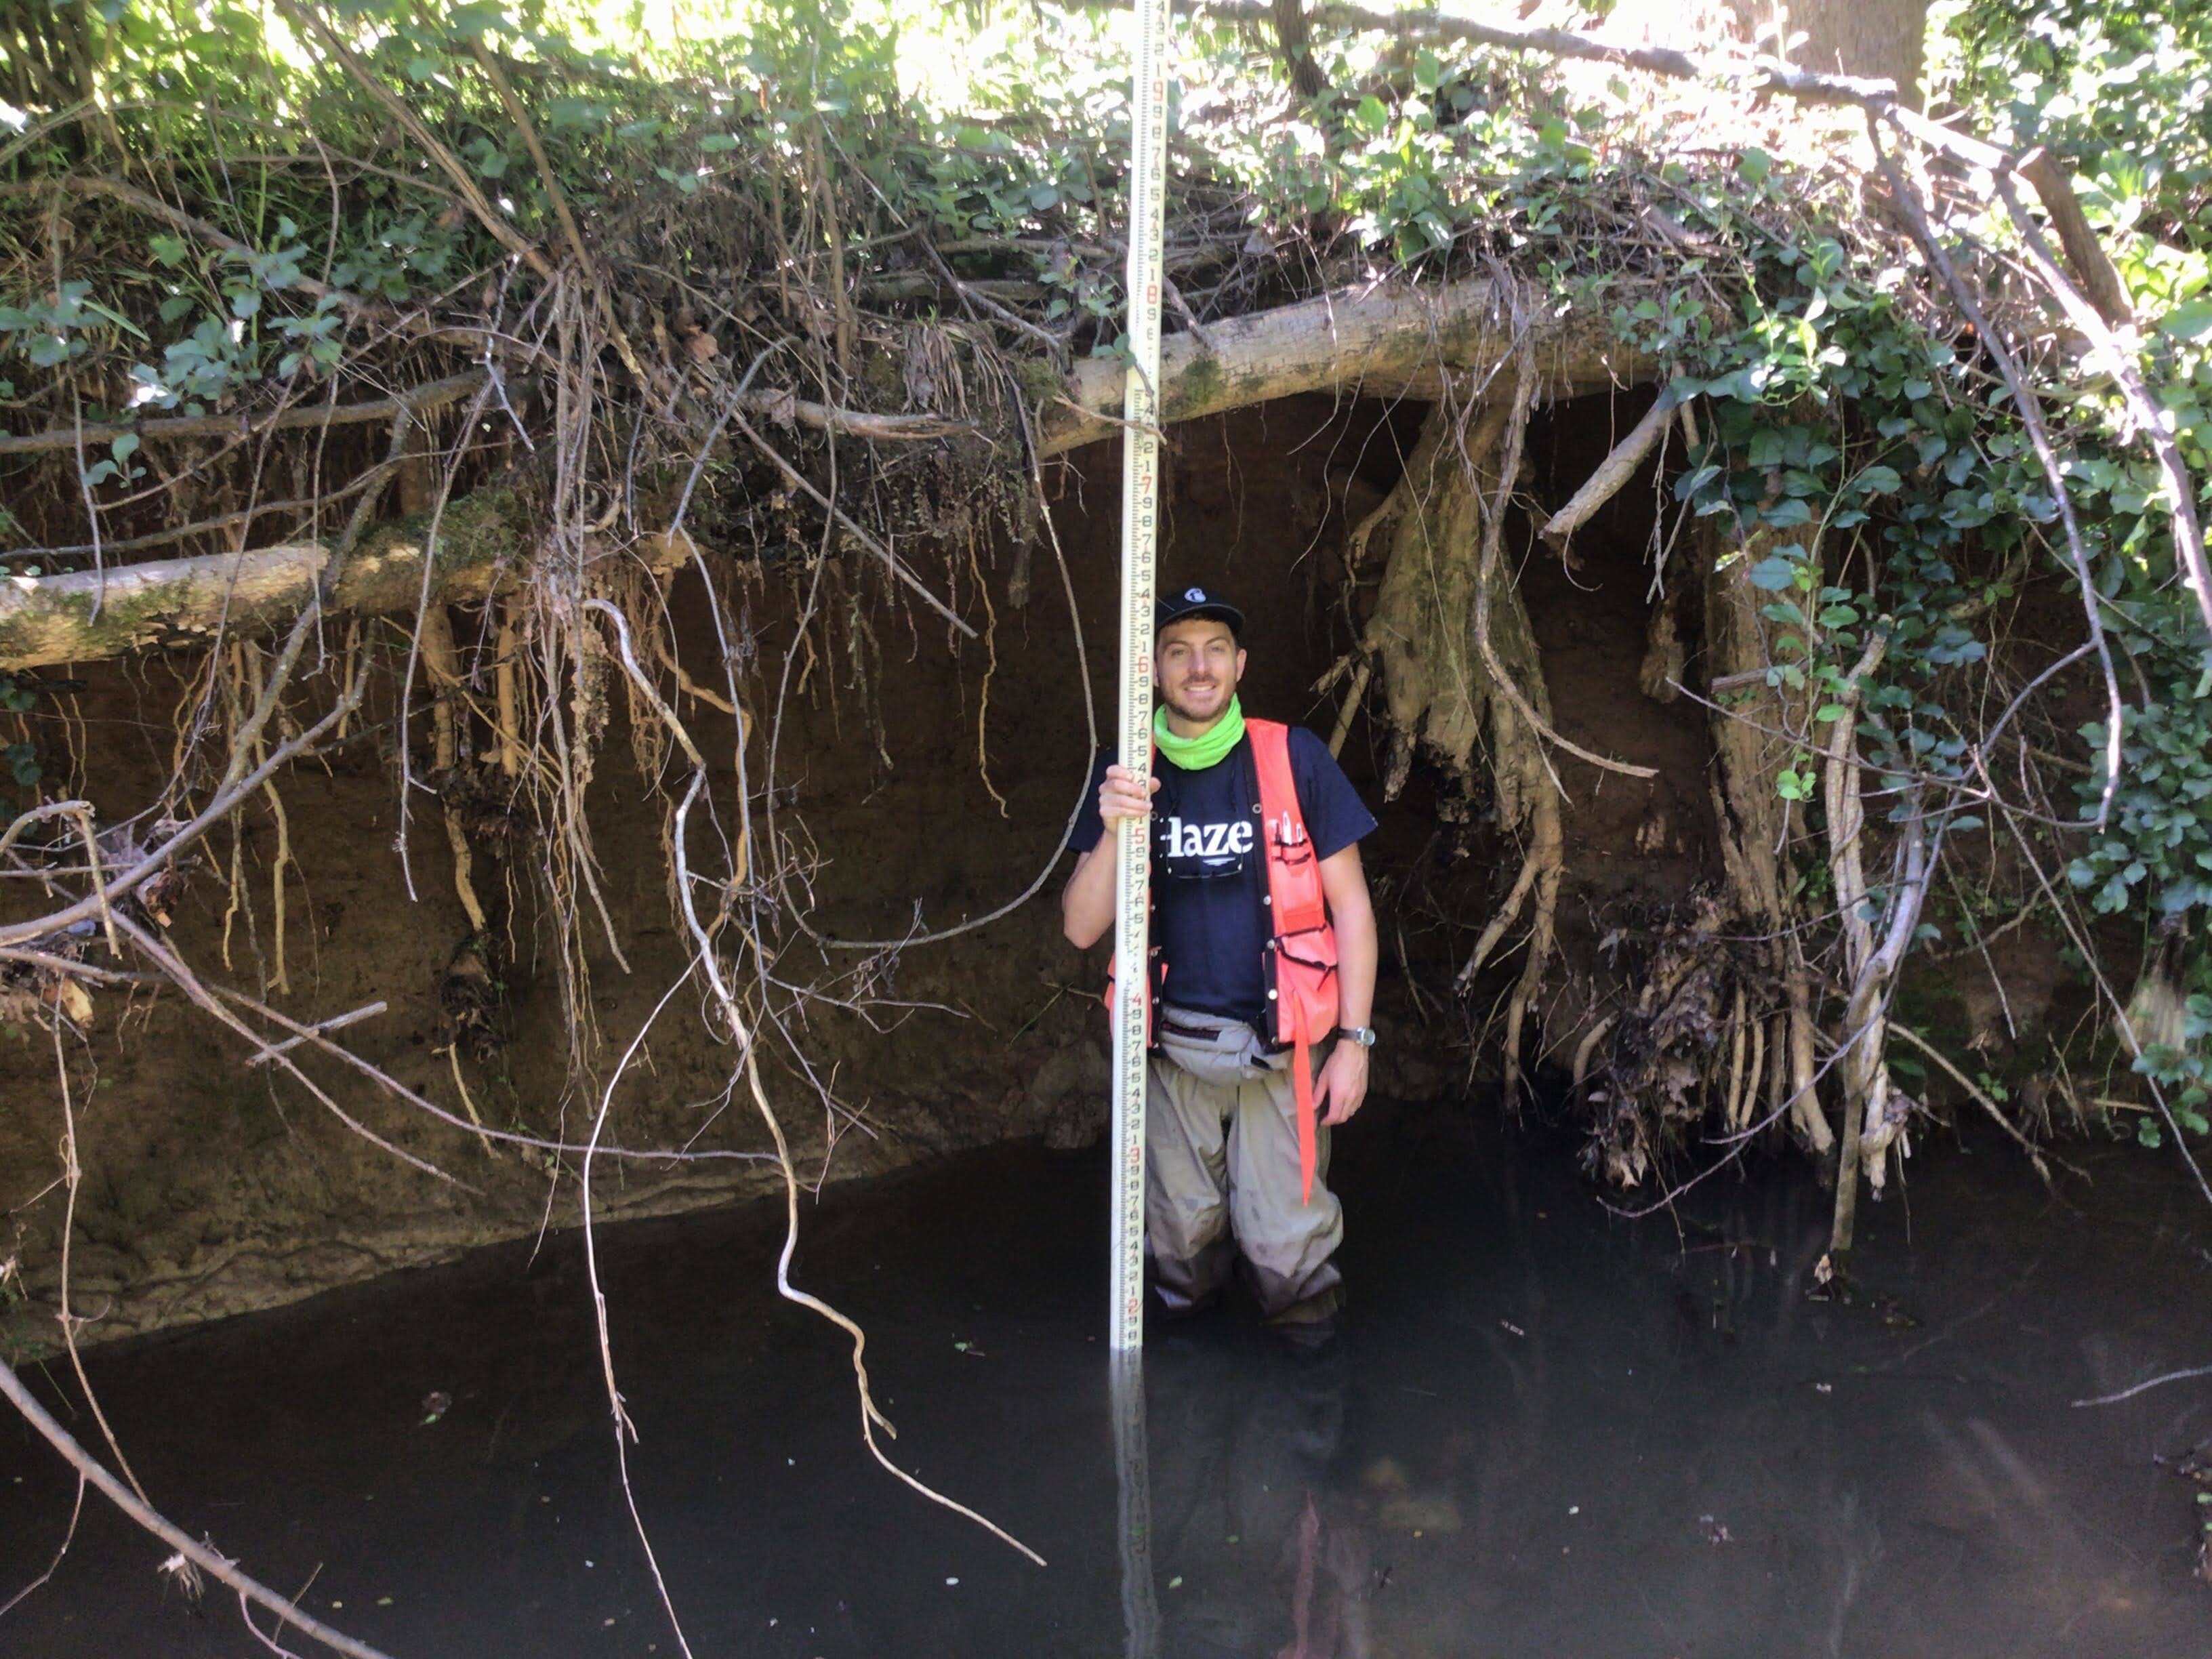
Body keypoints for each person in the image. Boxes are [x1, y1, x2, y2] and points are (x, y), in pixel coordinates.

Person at [1061, 586, 1379, 1330]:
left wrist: (1357, 1044)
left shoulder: (1294, 756)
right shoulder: (1124, 774)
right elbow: (1080, 929)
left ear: (1239, 666)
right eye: (1178, 652)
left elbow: (1353, 908)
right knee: (1178, 1251)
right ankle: (1195, 1405)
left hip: (1285, 1057)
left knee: (1291, 1258)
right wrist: (1113, 827)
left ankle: (1307, 1411)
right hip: (1173, 1058)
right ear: (1154, 670)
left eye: (1214, 651)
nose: (1197, 668)